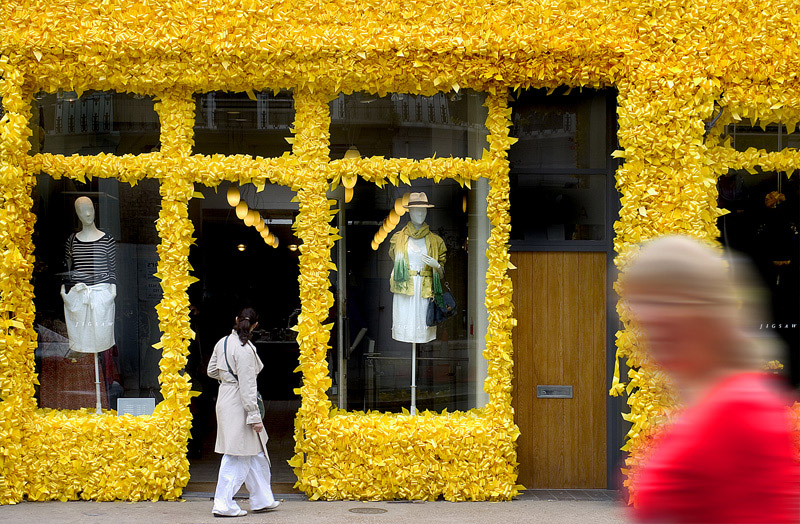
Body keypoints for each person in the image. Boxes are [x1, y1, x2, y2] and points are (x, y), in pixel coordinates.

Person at [621, 235, 800, 523]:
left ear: (705, 308)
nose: (646, 317)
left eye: (662, 301)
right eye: (640, 301)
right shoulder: (714, 398)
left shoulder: (739, 407)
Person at [207, 308, 279, 517]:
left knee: (254, 452)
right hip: (240, 404)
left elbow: (212, 370)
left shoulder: (222, 342)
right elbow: (248, 387)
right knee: (238, 455)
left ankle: (262, 499)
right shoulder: (245, 350)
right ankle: (223, 503)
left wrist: (227, 379)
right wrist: (254, 417)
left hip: (226, 398)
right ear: (256, 325)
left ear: (236, 320)